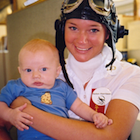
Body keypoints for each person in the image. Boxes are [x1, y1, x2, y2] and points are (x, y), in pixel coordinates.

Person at [0, 0, 140, 140]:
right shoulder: (45, 74)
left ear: (108, 33)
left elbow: (110, 136)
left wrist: (28, 111)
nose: (82, 40)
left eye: (93, 29)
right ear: (62, 29)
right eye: (73, 28)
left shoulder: (130, 75)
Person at [0, 39, 113, 140]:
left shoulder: (62, 87)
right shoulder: (16, 87)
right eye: (28, 70)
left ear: (57, 71)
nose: (36, 75)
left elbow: (78, 106)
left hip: (60, 135)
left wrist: (94, 115)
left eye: (43, 69)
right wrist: (10, 115)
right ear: (20, 71)